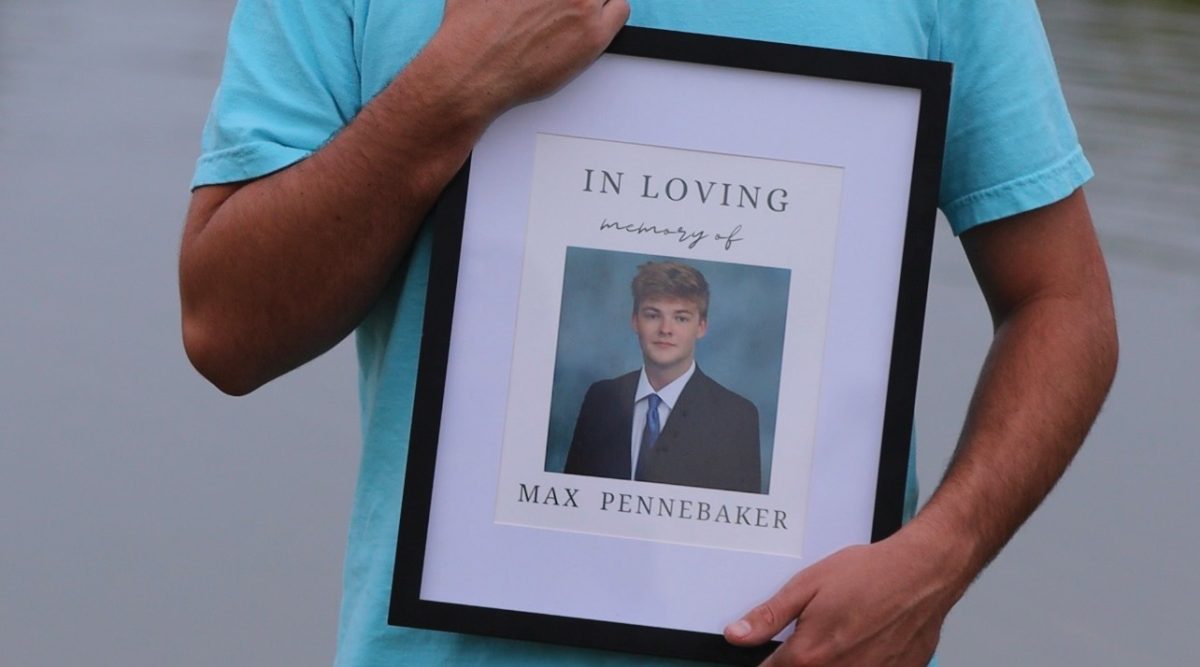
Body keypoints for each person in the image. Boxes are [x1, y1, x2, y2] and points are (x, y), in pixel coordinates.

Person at [179, 1, 1117, 665]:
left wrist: (939, 560)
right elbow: (226, 329)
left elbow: (1062, 304)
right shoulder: (593, 404)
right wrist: (449, 91)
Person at [564, 261, 762, 493]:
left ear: (701, 327)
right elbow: (571, 497)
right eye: (653, 315)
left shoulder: (736, 417)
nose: (665, 329)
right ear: (635, 321)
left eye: (681, 318)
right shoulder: (601, 399)